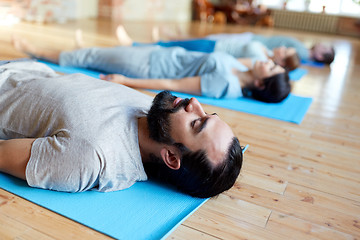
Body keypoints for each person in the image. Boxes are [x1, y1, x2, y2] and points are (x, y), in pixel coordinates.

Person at [0, 60, 243, 198]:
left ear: (170, 156)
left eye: (197, 123)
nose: (195, 104)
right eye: (207, 114)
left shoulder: (90, 157)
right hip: (20, 67)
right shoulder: (156, 114)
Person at [12, 35, 291, 103]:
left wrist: (126, 80)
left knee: (89, 55)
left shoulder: (224, 84)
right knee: (92, 54)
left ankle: (34, 51)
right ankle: (46, 52)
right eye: (272, 63)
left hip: (144, 66)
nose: (268, 63)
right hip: (159, 54)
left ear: (260, 84)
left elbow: (174, 84)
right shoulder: (242, 71)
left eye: (270, 69)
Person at [115, 26, 300, 71]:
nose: (282, 47)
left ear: (282, 61)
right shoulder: (266, 51)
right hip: (214, 44)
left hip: (211, 51)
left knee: (168, 49)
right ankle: (136, 44)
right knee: (170, 45)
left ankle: (131, 45)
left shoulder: (263, 60)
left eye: (285, 52)